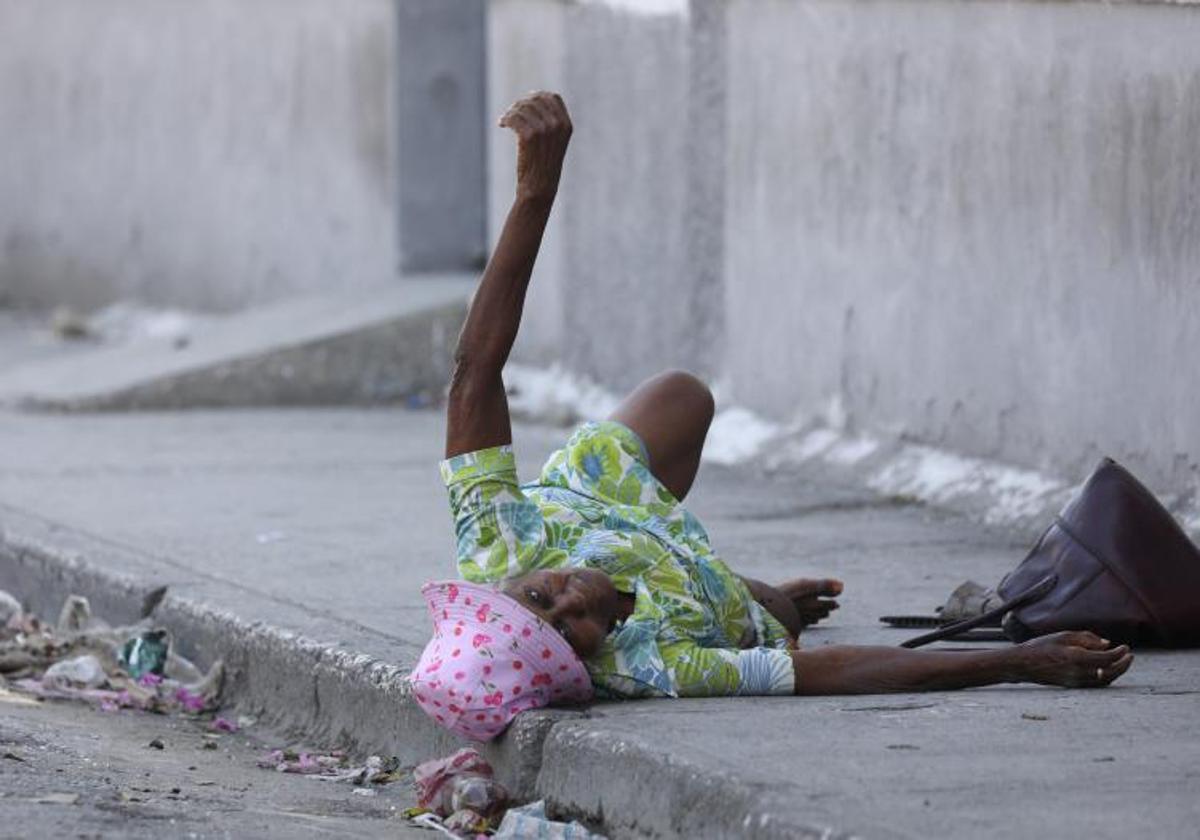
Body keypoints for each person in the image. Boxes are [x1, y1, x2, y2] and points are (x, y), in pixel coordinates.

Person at [410, 92, 1133, 740]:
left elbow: (475, 373)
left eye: (543, 594)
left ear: (504, 586)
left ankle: (716, 570)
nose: (572, 596)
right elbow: (824, 675)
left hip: (599, 503)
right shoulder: (651, 664)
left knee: (681, 395)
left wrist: (536, 192)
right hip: (704, 598)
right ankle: (747, 588)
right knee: (773, 621)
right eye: (574, 628)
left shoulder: (497, 548)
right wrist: (1015, 661)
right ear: (592, 663)